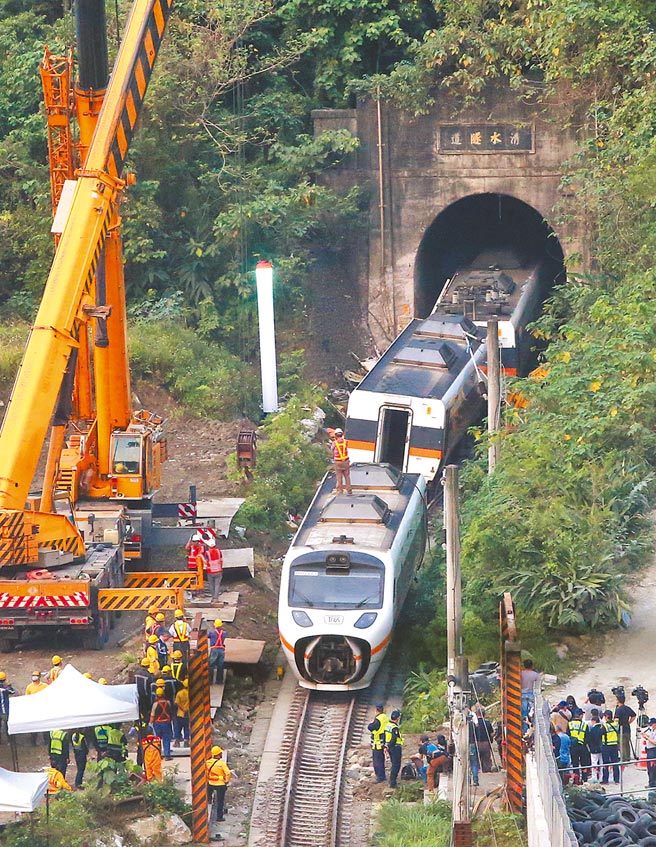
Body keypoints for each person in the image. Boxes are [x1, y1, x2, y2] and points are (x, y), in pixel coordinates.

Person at [206, 745, 232, 822]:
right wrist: (226, 781)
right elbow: (228, 773)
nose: (221, 754)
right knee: (220, 801)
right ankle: (219, 817)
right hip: (220, 784)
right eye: (220, 753)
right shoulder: (221, 763)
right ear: (218, 754)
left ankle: (209, 799)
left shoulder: (208, 762)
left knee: (209, 796)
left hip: (210, 783)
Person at [367, 703, 389, 783]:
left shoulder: (378, 719)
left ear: (376, 710)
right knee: (381, 760)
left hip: (377, 744)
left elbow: (371, 727)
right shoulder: (385, 717)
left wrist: (370, 724)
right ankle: (382, 775)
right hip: (383, 741)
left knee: (377, 762)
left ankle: (379, 777)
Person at [150, 686, 173, 760]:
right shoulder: (168, 703)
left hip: (157, 724)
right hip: (166, 723)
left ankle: (158, 755)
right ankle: (167, 755)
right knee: (167, 739)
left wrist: (150, 724)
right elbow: (171, 713)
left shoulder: (155, 704)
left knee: (157, 740)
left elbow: (152, 715)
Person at [26, 671, 48, 745]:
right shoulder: (29, 687)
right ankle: (33, 742)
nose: (34, 677)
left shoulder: (44, 686)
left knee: (45, 725)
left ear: (39, 677)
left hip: (43, 708)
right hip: (33, 709)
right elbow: (27, 698)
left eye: (36, 675)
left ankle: (46, 741)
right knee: (34, 726)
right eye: (33, 675)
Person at [568, 708, 590, 783]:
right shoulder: (584, 725)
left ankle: (576, 780)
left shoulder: (570, 724)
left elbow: (568, 735)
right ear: (580, 716)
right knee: (584, 764)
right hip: (582, 746)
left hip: (573, 747)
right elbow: (587, 737)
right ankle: (584, 779)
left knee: (575, 764)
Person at [614, 693, 637, 763]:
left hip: (621, 729)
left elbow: (616, 720)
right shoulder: (627, 708)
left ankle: (623, 759)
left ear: (618, 701)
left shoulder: (619, 710)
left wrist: (614, 726)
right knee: (627, 744)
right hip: (627, 728)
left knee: (621, 744)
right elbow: (634, 715)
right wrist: (629, 722)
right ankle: (627, 757)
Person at [385, 709, 404, 788]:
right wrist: (390, 746)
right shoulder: (394, 727)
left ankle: (392, 781)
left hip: (390, 747)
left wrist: (386, 746)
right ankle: (393, 783)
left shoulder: (388, 725)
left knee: (393, 764)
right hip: (395, 747)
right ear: (397, 718)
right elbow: (394, 739)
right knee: (396, 765)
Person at [601, 710, 621, 784]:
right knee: (615, 763)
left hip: (606, 746)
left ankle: (605, 780)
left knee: (606, 764)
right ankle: (616, 780)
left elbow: (600, 734)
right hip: (614, 745)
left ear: (606, 717)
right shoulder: (616, 724)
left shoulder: (604, 725)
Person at [331, 428, 352, 495]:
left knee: (339, 477)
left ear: (336, 435)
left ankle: (340, 490)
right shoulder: (346, 442)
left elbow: (332, 449)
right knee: (347, 476)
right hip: (345, 461)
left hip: (338, 462)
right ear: (342, 434)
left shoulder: (335, 443)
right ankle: (349, 490)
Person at [474, 709, 495, 773]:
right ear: (484, 714)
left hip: (477, 743)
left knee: (477, 757)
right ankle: (486, 769)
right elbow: (492, 734)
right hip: (486, 743)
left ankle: (478, 769)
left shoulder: (474, 724)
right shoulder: (487, 723)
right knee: (486, 758)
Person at [521, 659, 540, 726]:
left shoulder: (521, 674)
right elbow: (538, 687)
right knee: (532, 712)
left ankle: (525, 728)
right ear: (531, 665)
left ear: (524, 665)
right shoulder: (535, 675)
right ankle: (532, 726)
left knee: (524, 712)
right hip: (531, 694)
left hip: (522, 694)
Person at [135, 657, 154, 723]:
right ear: (148, 665)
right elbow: (151, 688)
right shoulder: (149, 676)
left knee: (138, 712)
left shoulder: (136, 673)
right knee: (146, 714)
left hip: (136, 696)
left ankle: (139, 722)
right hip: (146, 698)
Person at [587, 709, 604, 783]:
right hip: (602, 748)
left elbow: (589, 740)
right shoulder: (602, 729)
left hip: (594, 749)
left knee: (594, 763)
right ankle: (602, 777)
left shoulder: (592, 730)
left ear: (594, 721)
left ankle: (594, 778)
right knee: (601, 763)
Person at [209, 619, 226, 685]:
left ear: (215, 625)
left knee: (211, 665)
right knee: (220, 666)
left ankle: (210, 681)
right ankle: (219, 681)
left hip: (214, 650)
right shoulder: (224, 633)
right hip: (221, 650)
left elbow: (208, 636)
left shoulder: (212, 633)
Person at [174, 679, 190, 747]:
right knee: (187, 728)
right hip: (188, 714)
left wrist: (182, 709)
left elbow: (177, 703)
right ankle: (186, 742)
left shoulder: (179, 693)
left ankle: (177, 742)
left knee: (178, 728)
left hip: (180, 713)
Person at [0, 671, 15, 743]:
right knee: (7, 726)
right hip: (4, 710)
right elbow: (12, 691)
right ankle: (10, 741)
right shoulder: (5, 688)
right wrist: (9, 686)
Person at [642, 718, 656, 788]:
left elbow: (655, 742)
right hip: (649, 750)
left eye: (652, 724)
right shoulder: (652, 730)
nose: (651, 726)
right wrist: (646, 736)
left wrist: (647, 738)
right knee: (649, 768)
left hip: (654, 750)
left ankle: (653, 783)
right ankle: (651, 782)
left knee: (653, 768)